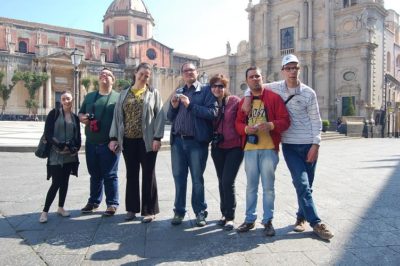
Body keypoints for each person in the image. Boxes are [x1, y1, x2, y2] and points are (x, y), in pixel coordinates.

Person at [242, 54, 334, 240]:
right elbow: (255, 85)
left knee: (308, 185)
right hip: (290, 145)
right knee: (301, 183)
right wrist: (246, 96)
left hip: (308, 143)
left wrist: (316, 144)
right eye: (289, 68)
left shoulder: (309, 92)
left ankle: (301, 218)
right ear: (283, 71)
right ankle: (316, 223)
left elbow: (316, 121)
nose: (292, 71)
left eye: (295, 68)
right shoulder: (275, 87)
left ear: (299, 69)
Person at [235, 66, 290, 236]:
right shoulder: (243, 101)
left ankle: (268, 221)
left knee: (268, 188)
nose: (255, 79)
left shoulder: (273, 98)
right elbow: (237, 123)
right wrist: (245, 129)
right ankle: (249, 219)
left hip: (268, 149)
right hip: (250, 150)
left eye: (257, 76)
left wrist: (271, 125)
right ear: (247, 81)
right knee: (251, 187)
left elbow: (286, 121)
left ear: (262, 78)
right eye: (251, 77)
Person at [109, 62, 165, 223]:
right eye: (141, 74)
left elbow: (160, 116)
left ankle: (149, 210)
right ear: (135, 73)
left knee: (148, 174)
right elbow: (117, 117)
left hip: (147, 141)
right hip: (128, 140)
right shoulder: (124, 93)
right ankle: (132, 208)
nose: (143, 77)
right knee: (131, 174)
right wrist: (114, 138)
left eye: (147, 76)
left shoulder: (153, 93)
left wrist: (157, 138)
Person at [167, 62, 218, 227]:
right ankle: (179, 212)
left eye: (191, 70)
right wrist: (174, 107)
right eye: (185, 71)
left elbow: (213, 113)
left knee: (197, 179)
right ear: (182, 74)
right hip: (177, 142)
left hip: (196, 142)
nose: (188, 73)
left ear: (197, 72)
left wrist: (191, 105)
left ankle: (200, 212)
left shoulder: (205, 91)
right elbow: (170, 116)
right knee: (179, 179)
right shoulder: (179, 91)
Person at [79, 68, 120, 216]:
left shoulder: (118, 97)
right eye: (102, 74)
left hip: (110, 143)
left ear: (113, 80)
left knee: (110, 174)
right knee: (94, 174)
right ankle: (94, 201)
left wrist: (115, 140)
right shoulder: (90, 96)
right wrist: (82, 118)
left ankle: (112, 203)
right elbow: (80, 113)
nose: (104, 76)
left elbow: (122, 121)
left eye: (108, 74)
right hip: (91, 142)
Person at [39, 90, 81, 223]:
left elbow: (78, 136)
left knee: (65, 182)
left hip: (70, 155)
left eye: (68, 99)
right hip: (55, 154)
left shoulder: (75, 117)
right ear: (60, 101)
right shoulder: (54, 113)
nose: (66, 101)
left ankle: (61, 207)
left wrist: (75, 147)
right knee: (56, 183)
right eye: (63, 99)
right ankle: (45, 211)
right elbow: (48, 133)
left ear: (72, 100)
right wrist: (60, 145)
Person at [209, 74, 243, 231]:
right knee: (221, 180)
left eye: (220, 86)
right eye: (214, 86)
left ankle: (230, 216)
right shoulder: (210, 103)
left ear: (225, 87)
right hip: (217, 148)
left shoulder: (234, 101)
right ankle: (224, 213)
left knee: (228, 181)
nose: (217, 89)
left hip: (235, 147)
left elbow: (243, 118)